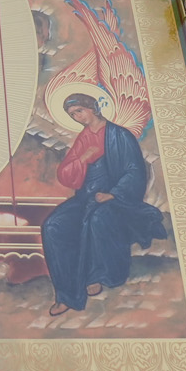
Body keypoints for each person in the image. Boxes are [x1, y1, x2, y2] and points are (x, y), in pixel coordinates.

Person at [39, 93, 163, 317]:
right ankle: (66, 295)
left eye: (79, 111)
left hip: (116, 198)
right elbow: (65, 174)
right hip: (85, 198)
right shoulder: (84, 138)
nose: (77, 117)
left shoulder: (119, 135)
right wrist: (83, 158)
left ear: (93, 108)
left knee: (96, 219)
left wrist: (113, 194)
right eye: (72, 114)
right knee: (53, 225)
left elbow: (135, 172)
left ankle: (96, 275)